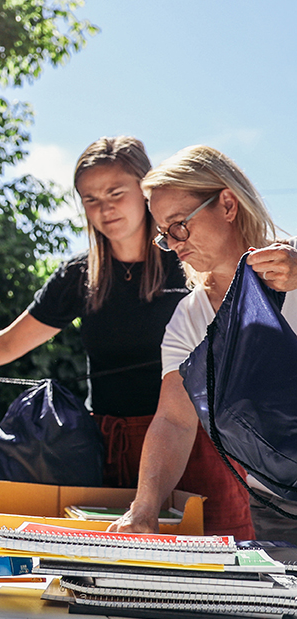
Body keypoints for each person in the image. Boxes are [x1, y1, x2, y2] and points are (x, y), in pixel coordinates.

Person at [0, 137, 190, 489]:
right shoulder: (79, 274)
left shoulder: (187, 262)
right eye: (91, 200)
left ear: (146, 189)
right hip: (104, 445)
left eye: (116, 193)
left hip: (187, 441)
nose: (104, 209)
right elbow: (9, 344)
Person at [112, 146, 297, 539]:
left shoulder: (295, 267)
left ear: (227, 204)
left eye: (179, 224)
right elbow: (175, 421)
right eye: (164, 233)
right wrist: (144, 509)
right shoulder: (190, 319)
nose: (173, 242)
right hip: (276, 509)